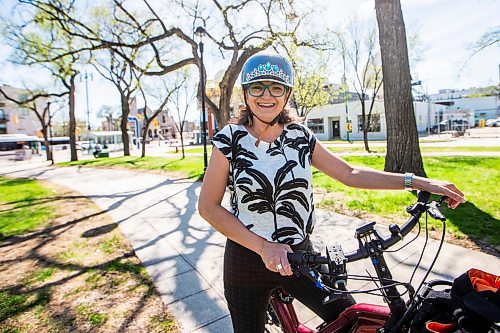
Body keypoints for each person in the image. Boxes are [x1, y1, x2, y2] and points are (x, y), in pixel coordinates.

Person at [197, 53, 466, 332]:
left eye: (276, 87)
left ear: (287, 93)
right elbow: (208, 206)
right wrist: (264, 247)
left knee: (351, 320)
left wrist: (421, 182)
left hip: (298, 256)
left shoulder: (300, 136)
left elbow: (350, 174)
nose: (267, 95)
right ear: (246, 93)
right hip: (245, 261)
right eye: (257, 87)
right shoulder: (229, 138)